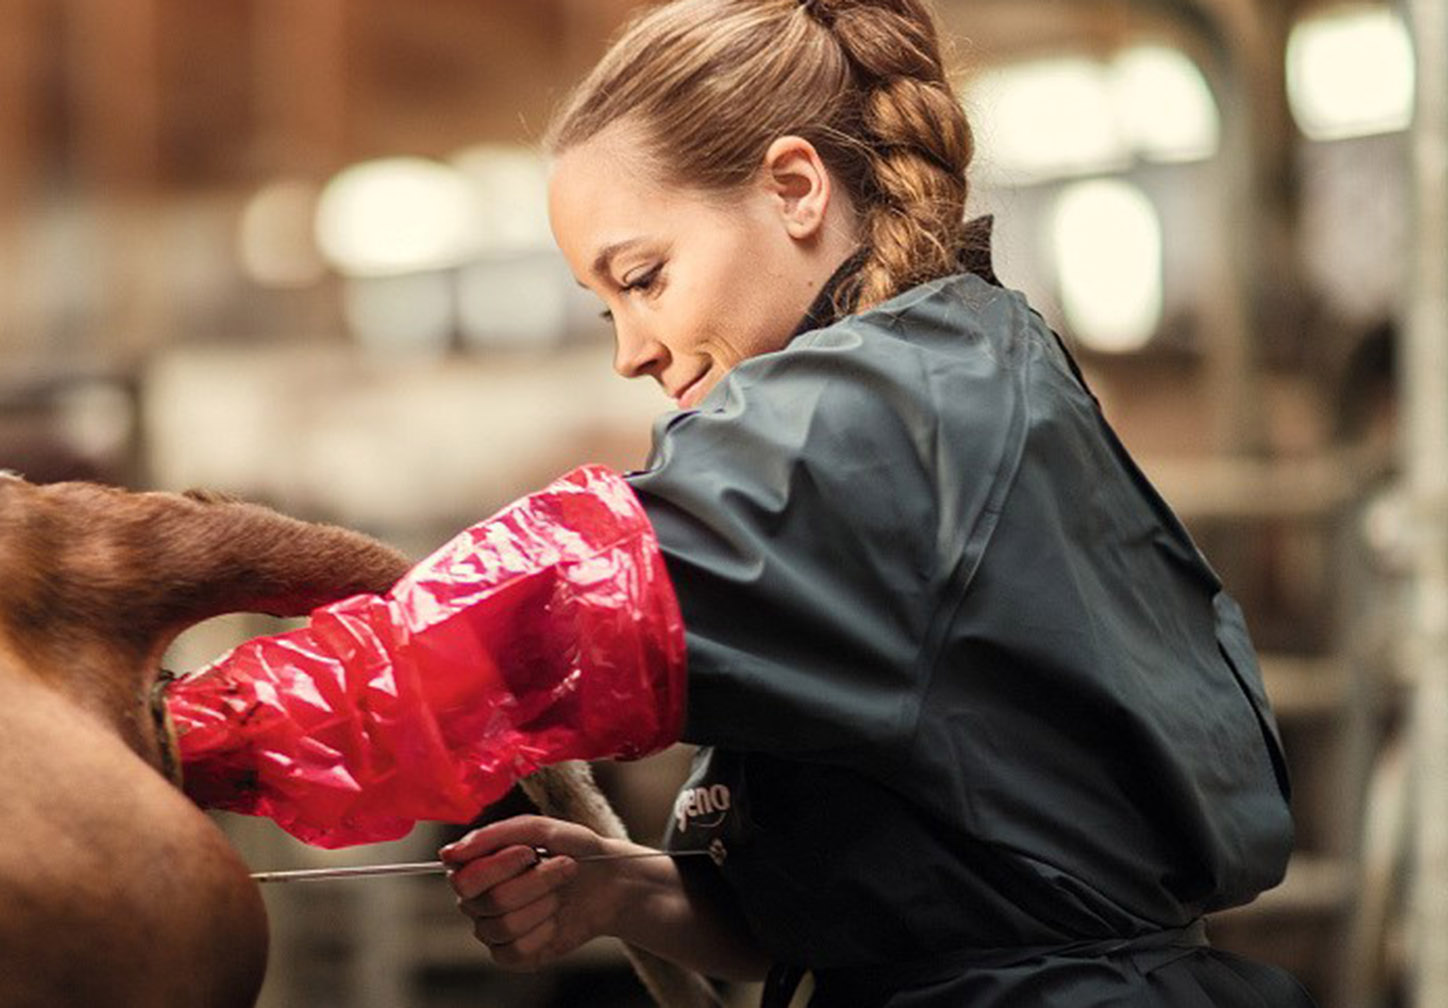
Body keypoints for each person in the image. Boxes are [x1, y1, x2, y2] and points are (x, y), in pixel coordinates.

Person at [161, 0, 1314, 1003]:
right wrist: (631, 893)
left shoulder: (873, 422)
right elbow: (937, 899)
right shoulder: (960, 369)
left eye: (644, 279)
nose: (632, 351)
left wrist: (171, 735)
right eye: (604, 305)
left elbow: (521, 626)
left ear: (796, 189)